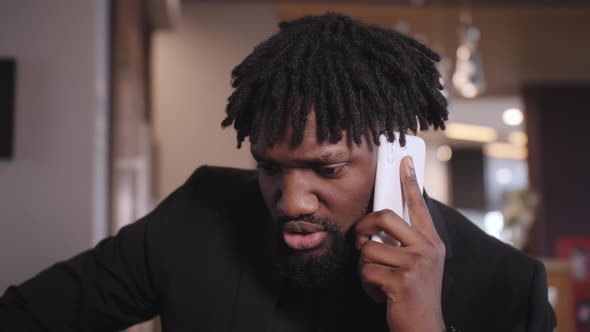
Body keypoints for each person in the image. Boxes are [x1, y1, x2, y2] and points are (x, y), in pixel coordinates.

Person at [0, 12, 556, 332]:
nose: (291, 201)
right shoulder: (198, 217)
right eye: (269, 167)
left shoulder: (506, 286)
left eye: (328, 169)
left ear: (397, 156)